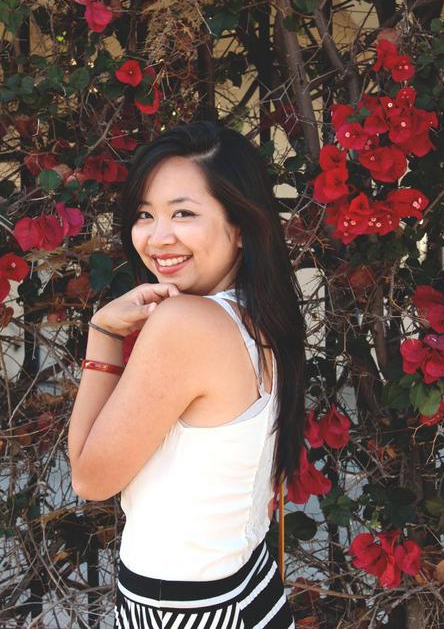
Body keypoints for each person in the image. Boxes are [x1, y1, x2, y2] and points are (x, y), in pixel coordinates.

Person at [68, 121, 307, 629]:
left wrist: (103, 332)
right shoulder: (261, 315)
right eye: (145, 214)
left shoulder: (186, 322)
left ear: (240, 225)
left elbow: (90, 478)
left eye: (183, 213)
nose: (158, 238)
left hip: (186, 609)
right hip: (246, 589)